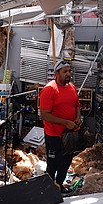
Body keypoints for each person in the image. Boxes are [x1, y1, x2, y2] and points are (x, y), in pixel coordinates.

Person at [40, 60, 81, 194]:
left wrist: (78, 117)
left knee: (66, 161)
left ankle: (59, 185)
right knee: (53, 163)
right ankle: (48, 189)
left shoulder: (72, 87)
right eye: (65, 71)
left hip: (69, 133)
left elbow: (77, 105)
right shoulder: (49, 89)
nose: (68, 74)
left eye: (69, 71)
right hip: (54, 134)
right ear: (56, 74)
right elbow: (45, 115)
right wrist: (65, 122)